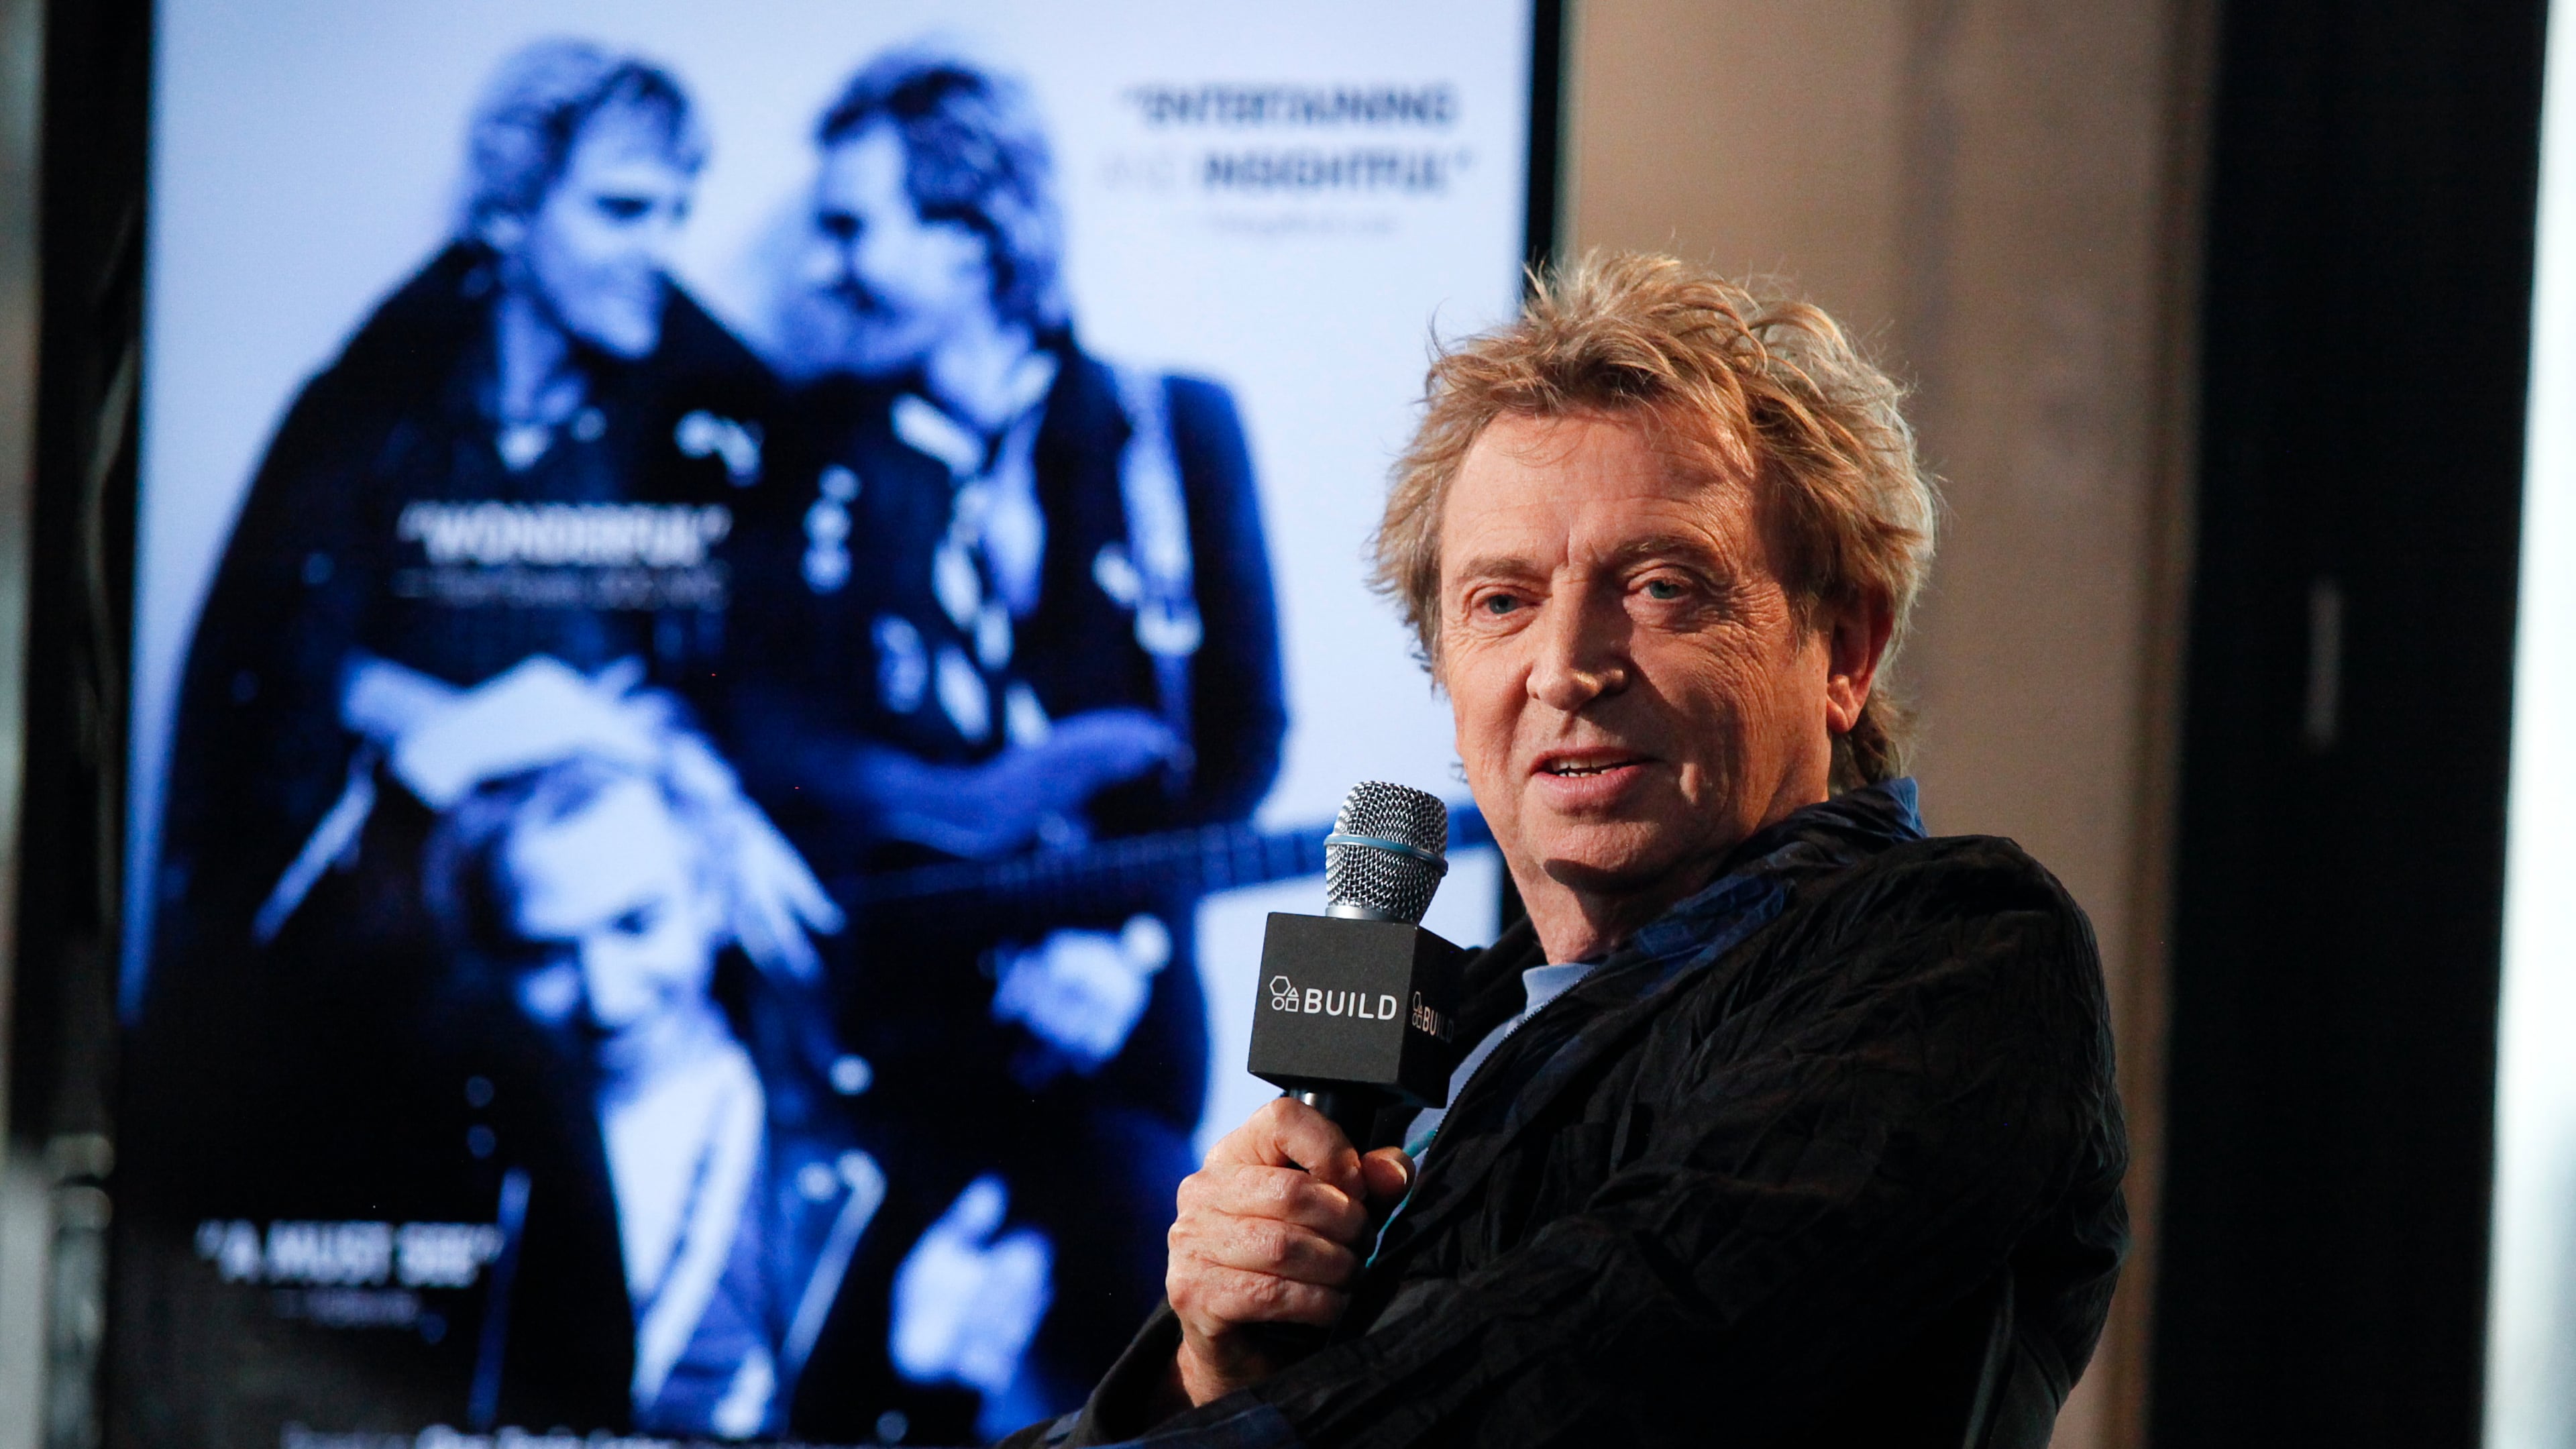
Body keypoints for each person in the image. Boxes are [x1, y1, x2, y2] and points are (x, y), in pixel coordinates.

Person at [1005, 254, 2130, 1447]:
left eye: (1661, 587)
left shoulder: (1950, 954)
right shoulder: (1443, 1031)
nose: (1565, 669)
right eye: (1502, 602)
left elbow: (1598, 1370)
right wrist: (1210, 1362)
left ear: (1844, 650)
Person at [117, 39, 834, 1426]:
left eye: (676, 212)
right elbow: (268, 677)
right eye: (620, 209)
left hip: (613, 912)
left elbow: (764, 683)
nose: (659, 248)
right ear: (509, 215)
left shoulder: (719, 408)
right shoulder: (370, 407)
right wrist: (453, 720)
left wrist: (669, 764)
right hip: (414, 929)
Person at [726, 47, 1287, 1431]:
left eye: (853, 228)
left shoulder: (1176, 429)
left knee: (1166, 1385)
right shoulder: (800, 448)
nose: (824, 271)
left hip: (1114, 1040)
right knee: (841, 1391)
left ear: (975, 238)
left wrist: (1124, 940)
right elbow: (762, 723)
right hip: (874, 1046)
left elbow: (1242, 732)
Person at [425, 749, 1049, 1442]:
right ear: (487, 958)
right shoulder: (455, 1155)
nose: (606, 994)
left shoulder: (879, 1137)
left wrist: (924, 1383)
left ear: (713, 899)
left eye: (638, 924)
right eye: (545, 955)